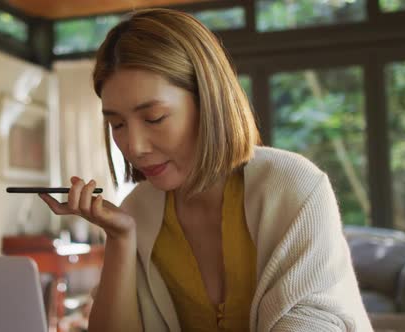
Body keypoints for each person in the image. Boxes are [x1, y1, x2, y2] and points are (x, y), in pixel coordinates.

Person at [40, 8, 373, 332]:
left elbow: (313, 320)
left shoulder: (293, 185)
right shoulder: (137, 211)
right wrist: (120, 238)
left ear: (208, 101)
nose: (134, 146)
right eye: (117, 124)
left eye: (154, 117)